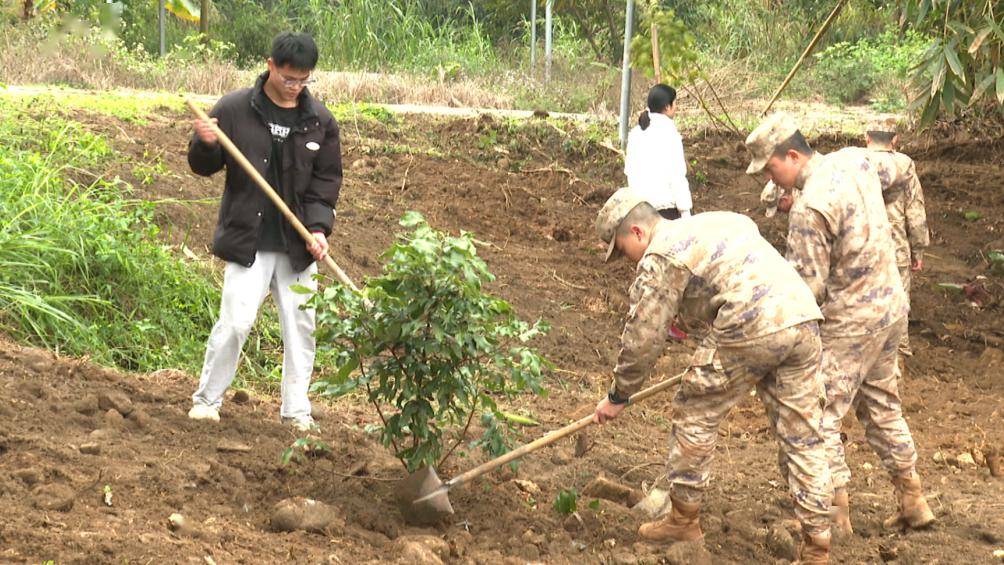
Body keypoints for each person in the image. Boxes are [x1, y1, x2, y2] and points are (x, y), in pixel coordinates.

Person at [592, 188, 833, 563]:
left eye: (622, 250)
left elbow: (644, 335)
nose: (626, 260)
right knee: (803, 434)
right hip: (802, 318)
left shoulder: (661, 255)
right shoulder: (720, 220)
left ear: (637, 232)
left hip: (754, 321)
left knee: (694, 411)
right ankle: (817, 545)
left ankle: (683, 520)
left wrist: (619, 395)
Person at [745, 113, 935, 539]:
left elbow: (806, 290)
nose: (773, 183)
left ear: (791, 155)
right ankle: (913, 499)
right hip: (891, 308)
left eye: (772, 170)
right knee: (883, 404)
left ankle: (834, 516)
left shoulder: (810, 208)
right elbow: (904, 167)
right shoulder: (856, 160)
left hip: (850, 323)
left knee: (820, 413)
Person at [186, 32, 343, 432]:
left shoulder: (320, 121)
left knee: (301, 327)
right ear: (270, 65)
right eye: (289, 78)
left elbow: (325, 182)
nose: (295, 87)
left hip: (297, 245)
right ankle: (207, 400)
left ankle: (296, 411)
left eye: (303, 80)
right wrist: (204, 143)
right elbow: (204, 167)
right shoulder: (237, 109)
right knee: (236, 322)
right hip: (249, 240)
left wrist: (319, 228)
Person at [863, 119, 929, 356]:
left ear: (867, 138)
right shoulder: (904, 164)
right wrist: (918, 249)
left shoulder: (855, 163)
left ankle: (867, 350)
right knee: (899, 300)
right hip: (896, 246)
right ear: (895, 140)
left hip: (861, 247)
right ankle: (899, 351)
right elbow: (915, 209)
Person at [624, 84, 693, 220]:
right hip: (665, 211)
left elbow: (629, 172)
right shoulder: (669, 134)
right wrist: (685, 212)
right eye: (675, 103)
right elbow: (677, 175)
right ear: (667, 106)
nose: (676, 107)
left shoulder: (636, 133)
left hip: (639, 210)